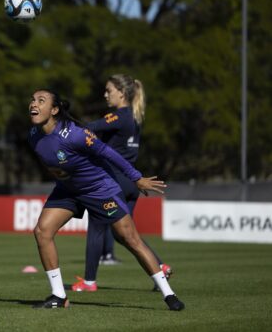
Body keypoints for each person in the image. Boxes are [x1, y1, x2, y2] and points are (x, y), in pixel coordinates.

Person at [27, 89, 184, 311]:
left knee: (130, 239)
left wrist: (136, 178)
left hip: (100, 190)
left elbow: (108, 153)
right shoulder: (33, 135)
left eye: (41, 101)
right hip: (69, 190)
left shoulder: (75, 134)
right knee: (42, 232)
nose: (34, 104)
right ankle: (59, 296)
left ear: (54, 110)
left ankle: (168, 294)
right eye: (32, 100)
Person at [72, 75, 172, 293]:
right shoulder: (135, 116)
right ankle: (160, 267)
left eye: (109, 90)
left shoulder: (119, 116)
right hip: (130, 183)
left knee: (97, 227)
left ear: (122, 93)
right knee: (125, 235)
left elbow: (91, 127)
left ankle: (89, 282)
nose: (105, 94)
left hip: (113, 181)